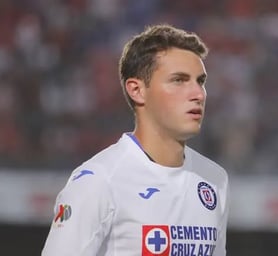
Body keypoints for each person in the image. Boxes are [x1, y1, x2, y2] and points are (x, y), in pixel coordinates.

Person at [42, 24, 229, 256]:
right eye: (179, 80)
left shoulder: (214, 179)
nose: (198, 94)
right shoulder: (99, 181)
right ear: (137, 90)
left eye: (200, 81)